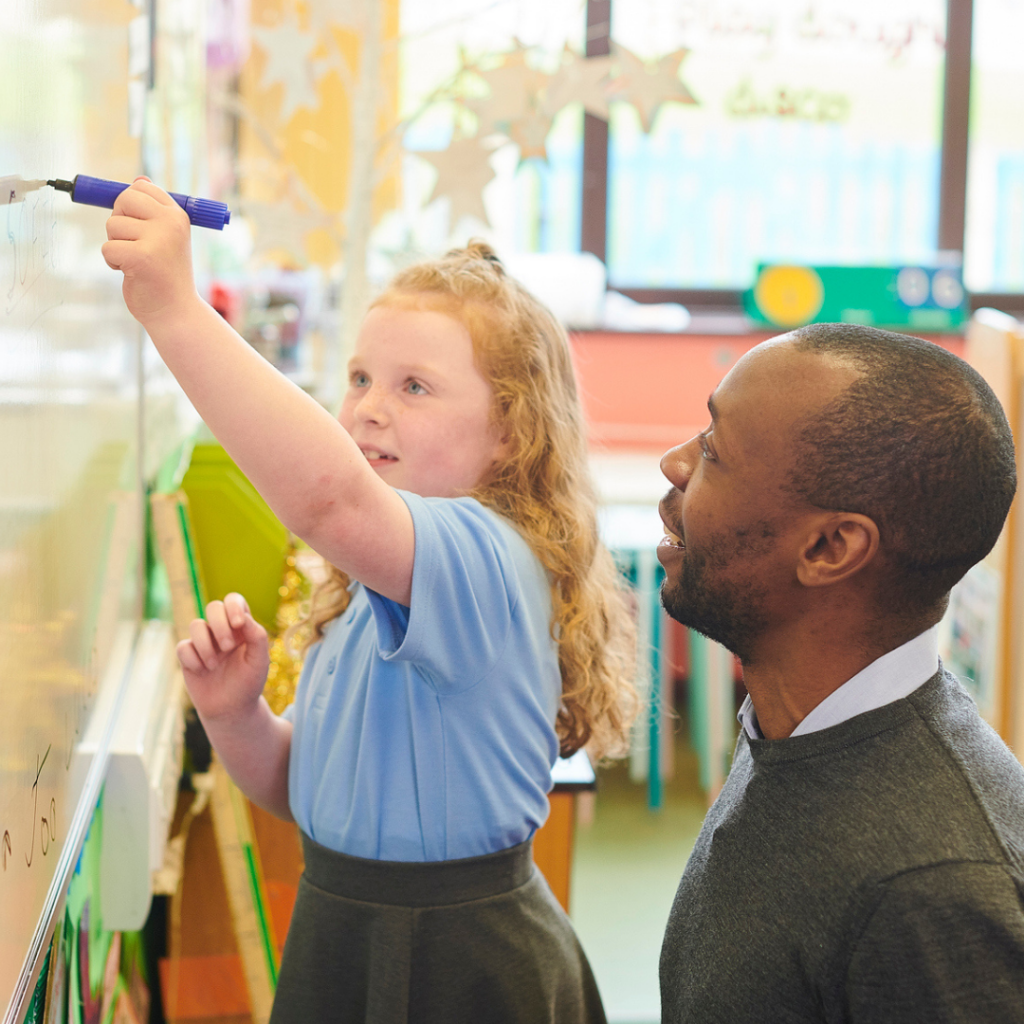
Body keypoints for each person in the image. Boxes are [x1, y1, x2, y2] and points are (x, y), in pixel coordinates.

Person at [101, 179, 637, 1023]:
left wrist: (177, 311)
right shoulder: (369, 591)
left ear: (511, 432)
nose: (368, 410)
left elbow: (331, 500)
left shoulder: (487, 557)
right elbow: (305, 794)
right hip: (345, 924)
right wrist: (238, 715)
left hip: (458, 957)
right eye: (359, 378)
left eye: (414, 387)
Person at [656, 322, 1024, 1022]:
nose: (675, 464)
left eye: (711, 451)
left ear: (830, 547)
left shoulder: (934, 889)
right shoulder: (796, 725)